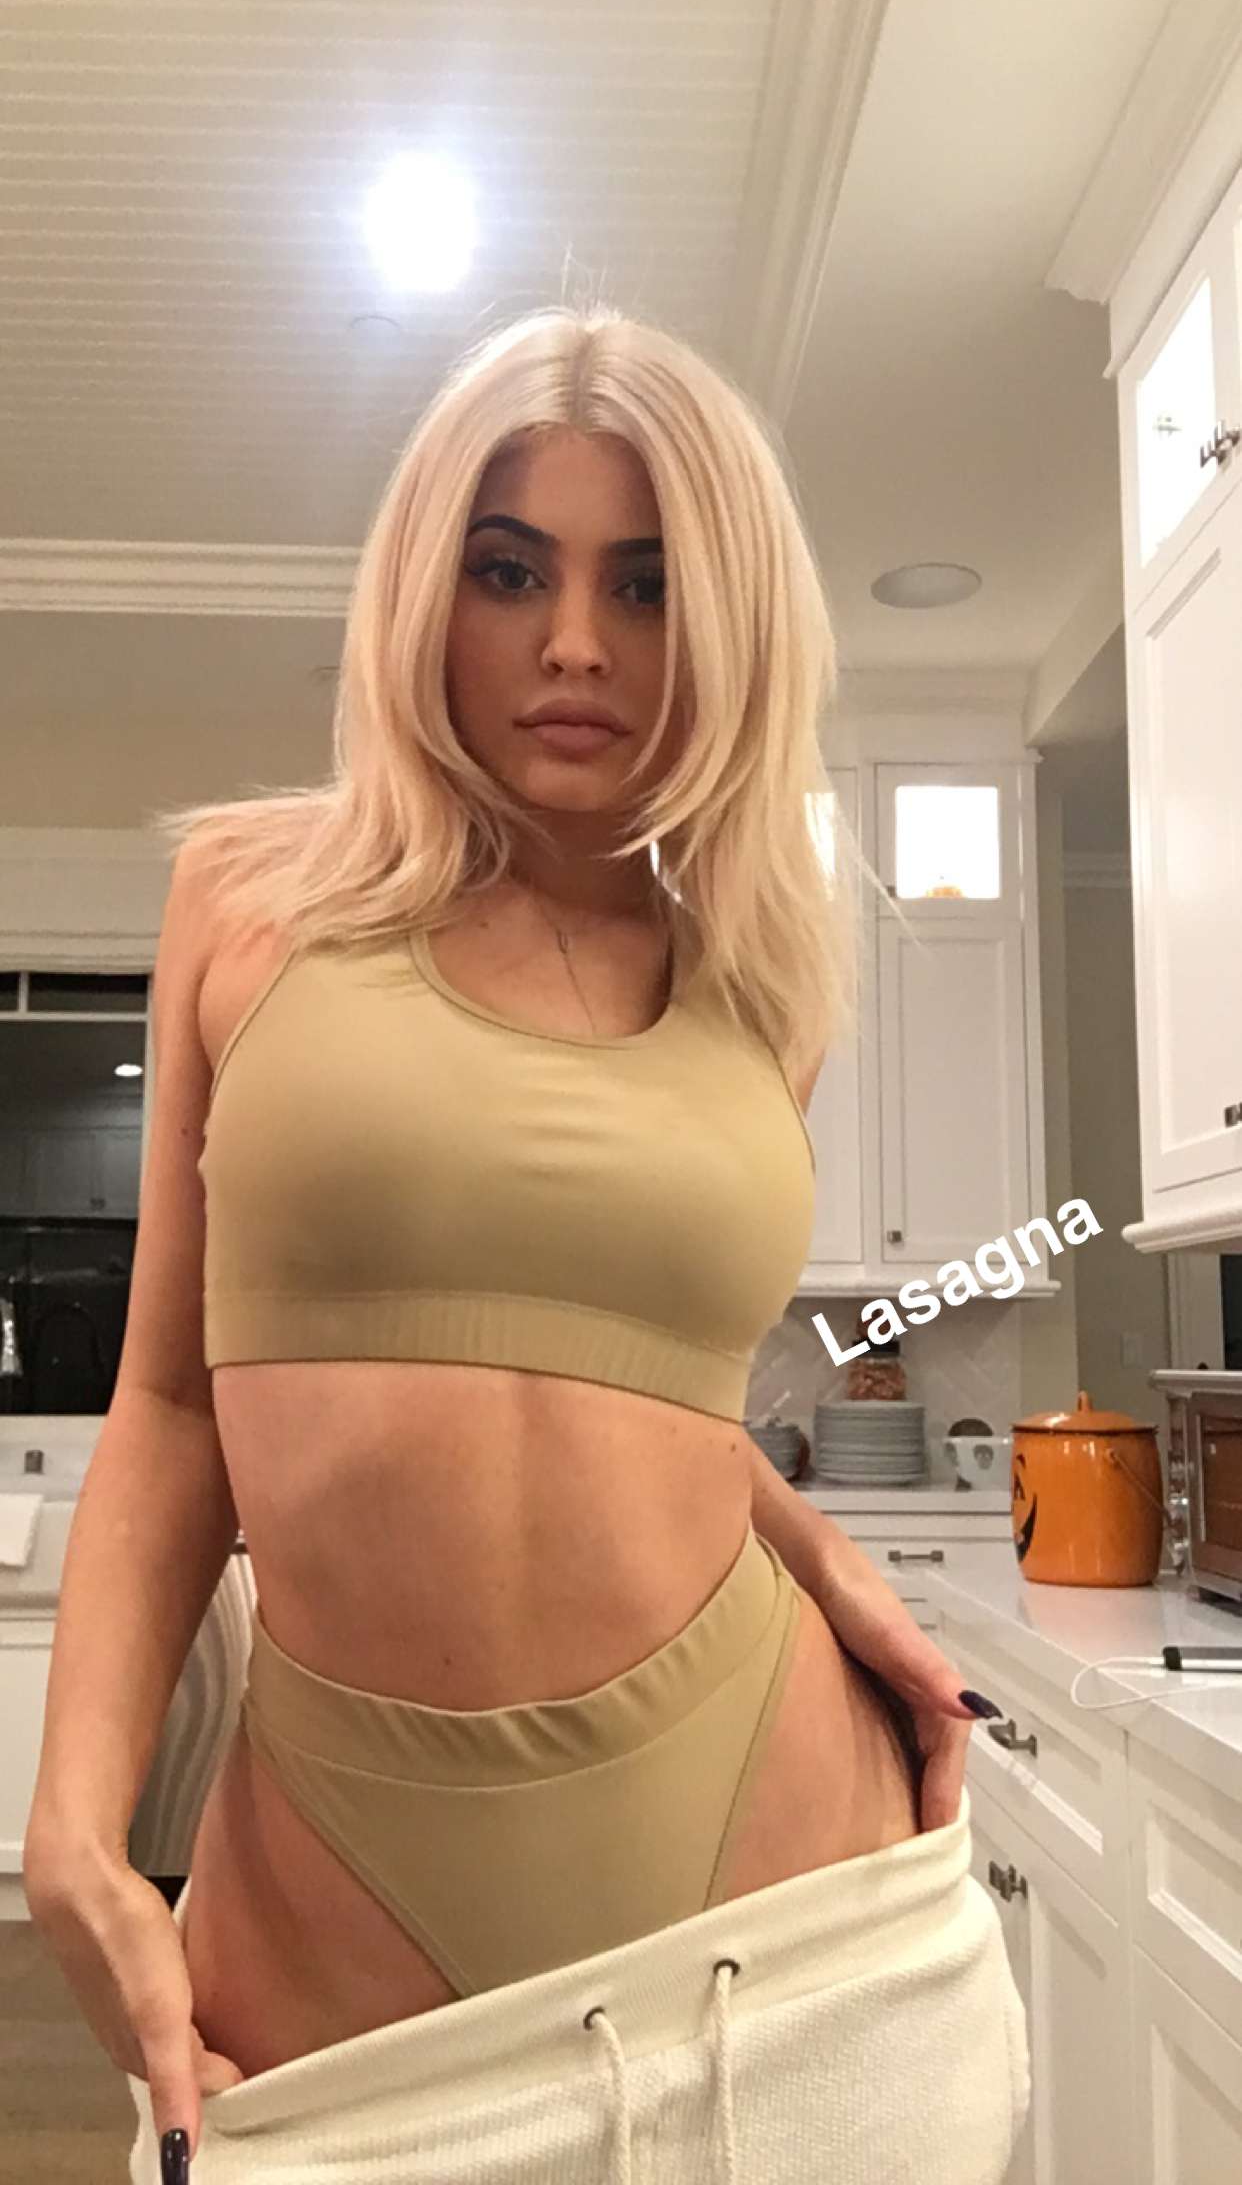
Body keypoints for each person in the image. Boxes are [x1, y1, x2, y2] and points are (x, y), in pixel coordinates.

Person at [22, 302, 1028, 2185]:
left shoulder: (760, 985)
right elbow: (173, 1400)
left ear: (725, 625)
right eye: (511, 570)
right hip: (339, 1923)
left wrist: (818, 1551)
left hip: (787, 1910)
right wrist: (73, 1820)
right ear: (429, 589)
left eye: (646, 584)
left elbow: (625, 1387)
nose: (575, 641)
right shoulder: (250, 901)